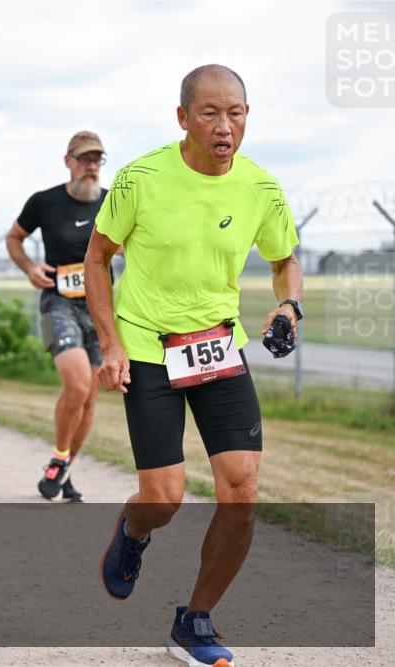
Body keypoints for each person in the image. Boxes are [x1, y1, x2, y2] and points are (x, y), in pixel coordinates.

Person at [85, 64, 302, 667]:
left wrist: (288, 303)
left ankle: (196, 618)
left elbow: (286, 260)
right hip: (149, 346)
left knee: (243, 490)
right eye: (209, 113)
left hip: (218, 347)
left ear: (247, 117)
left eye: (235, 113)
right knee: (166, 498)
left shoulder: (261, 187)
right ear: (183, 118)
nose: (224, 125)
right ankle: (134, 530)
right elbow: (97, 258)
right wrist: (110, 342)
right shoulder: (140, 179)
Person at [7, 130, 110, 502]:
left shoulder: (113, 204)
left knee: (91, 400)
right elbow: (13, 238)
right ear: (68, 161)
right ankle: (60, 455)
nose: (91, 166)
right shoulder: (44, 202)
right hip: (59, 303)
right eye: (84, 159)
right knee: (78, 385)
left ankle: (64, 471)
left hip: (101, 309)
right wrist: (30, 268)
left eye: (97, 160)